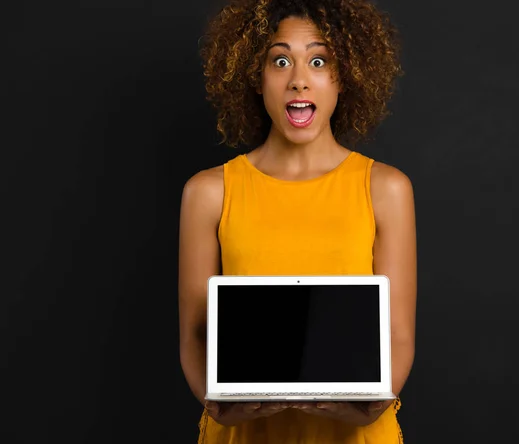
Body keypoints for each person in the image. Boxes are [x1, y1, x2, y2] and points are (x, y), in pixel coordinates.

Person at [178, 0, 417, 442]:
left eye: (319, 60)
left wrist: (368, 407)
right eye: (281, 60)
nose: (299, 80)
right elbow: (195, 334)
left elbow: (398, 333)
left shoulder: (386, 188)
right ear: (256, 75)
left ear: (345, 76)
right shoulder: (208, 192)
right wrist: (216, 406)